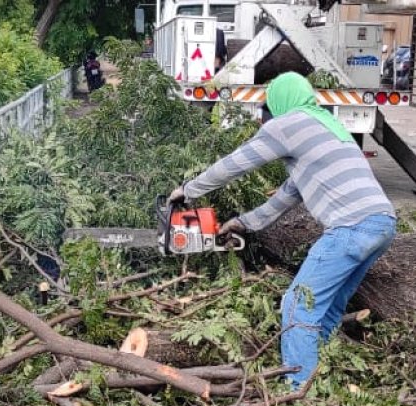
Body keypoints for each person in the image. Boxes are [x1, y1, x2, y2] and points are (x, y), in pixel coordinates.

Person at [169, 72, 396, 388]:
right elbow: (287, 196)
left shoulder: (289, 124)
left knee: (296, 305)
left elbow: (237, 163)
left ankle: (299, 391)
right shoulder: (327, 126)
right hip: (382, 223)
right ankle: (323, 375)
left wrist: (189, 190)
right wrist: (243, 223)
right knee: (329, 305)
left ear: (280, 101)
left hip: (351, 227)